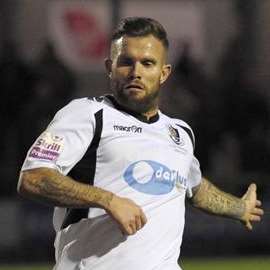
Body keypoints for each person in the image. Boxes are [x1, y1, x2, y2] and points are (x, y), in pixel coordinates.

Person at [17, 17, 263, 270]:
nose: (136, 72)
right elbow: (33, 178)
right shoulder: (86, 114)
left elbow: (196, 189)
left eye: (147, 63)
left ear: (164, 73)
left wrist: (239, 208)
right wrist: (107, 200)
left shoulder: (179, 132)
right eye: (126, 62)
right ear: (109, 67)